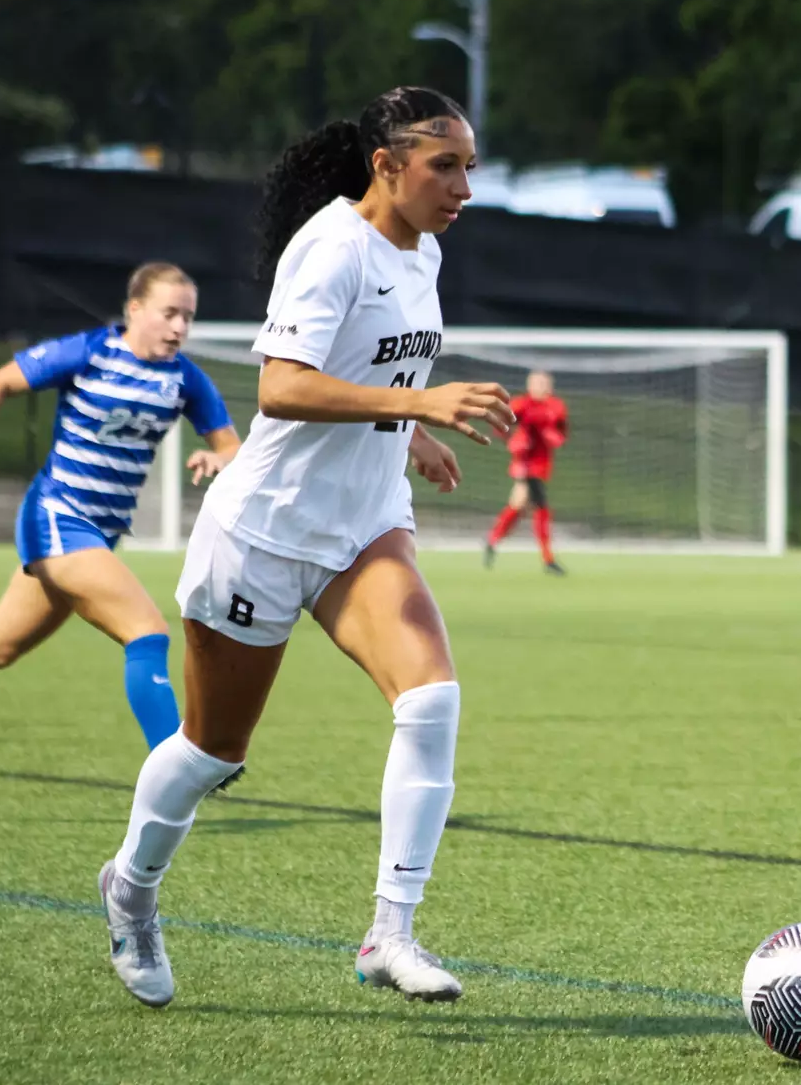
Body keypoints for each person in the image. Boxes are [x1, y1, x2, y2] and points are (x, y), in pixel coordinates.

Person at [95, 86, 516, 1009]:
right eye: (444, 165)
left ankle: (389, 933)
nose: (462, 186)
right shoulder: (329, 247)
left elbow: (376, 368)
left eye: (468, 167)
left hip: (363, 526)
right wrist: (416, 405)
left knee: (432, 697)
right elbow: (283, 388)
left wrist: (412, 434)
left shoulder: (425, 250)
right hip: (264, 532)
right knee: (212, 750)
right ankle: (131, 886)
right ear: (387, 165)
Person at [0, 262, 239, 750]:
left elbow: (232, 448)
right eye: (169, 313)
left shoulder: (185, 380)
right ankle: (177, 766)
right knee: (148, 633)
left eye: (188, 317)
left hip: (100, 535)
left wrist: (219, 457)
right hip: (56, 517)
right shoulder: (90, 352)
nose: (179, 327)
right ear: (135, 309)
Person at [483, 369, 568, 575]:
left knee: (518, 506)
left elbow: (562, 432)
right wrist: (513, 439)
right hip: (525, 464)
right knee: (541, 507)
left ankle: (492, 541)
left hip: (542, 464)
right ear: (529, 385)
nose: (540, 387)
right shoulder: (521, 405)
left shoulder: (555, 407)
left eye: (544, 383)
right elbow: (501, 426)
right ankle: (548, 559)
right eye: (536, 383)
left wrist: (554, 437)